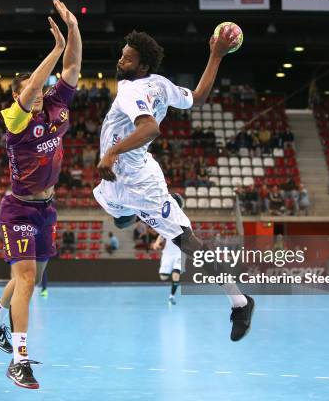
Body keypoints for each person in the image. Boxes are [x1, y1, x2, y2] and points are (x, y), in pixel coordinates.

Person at [93, 29, 254, 342]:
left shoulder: (131, 90)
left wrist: (111, 152)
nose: (120, 60)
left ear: (141, 67)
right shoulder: (162, 85)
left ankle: (240, 301)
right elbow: (199, 96)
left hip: (140, 182)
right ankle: (137, 213)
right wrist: (216, 55)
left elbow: (150, 127)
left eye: (127, 58)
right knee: (121, 217)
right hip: (114, 183)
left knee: (189, 243)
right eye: (122, 54)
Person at [0, 0, 81, 390]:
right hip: (18, 209)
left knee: (30, 278)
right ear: (18, 97)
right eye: (28, 92)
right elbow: (40, 80)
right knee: (24, 280)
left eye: (38, 93)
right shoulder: (14, 120)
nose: (37, 94)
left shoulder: (55, 108)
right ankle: (19, 361)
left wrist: (73, 29)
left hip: (47, 208)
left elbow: (72, 69)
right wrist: (54, 49)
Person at [151, 193, 184, 305]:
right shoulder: (166, 218)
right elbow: (162, 233)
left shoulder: (183, 219)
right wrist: (157, 242)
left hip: (179, 252)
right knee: (163, 277)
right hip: (168, 252)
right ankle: (172, 274)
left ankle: (172, 296)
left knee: (176, 274)